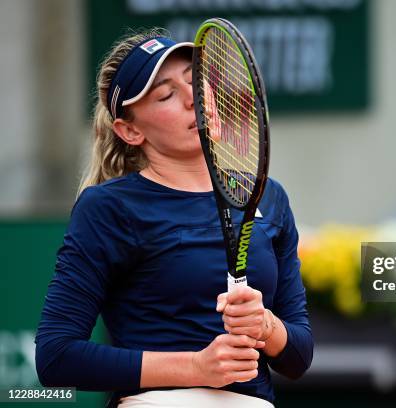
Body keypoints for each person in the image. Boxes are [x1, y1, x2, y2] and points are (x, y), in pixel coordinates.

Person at [34, 28, 313, 407]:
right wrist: (196, 367)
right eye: (166, 94)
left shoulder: (269, 195)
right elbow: (56, 356)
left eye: (196, 83)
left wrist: (266, 326)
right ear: (130, 130)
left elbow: (299, 358)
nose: (192, 100)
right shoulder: (108, 208)